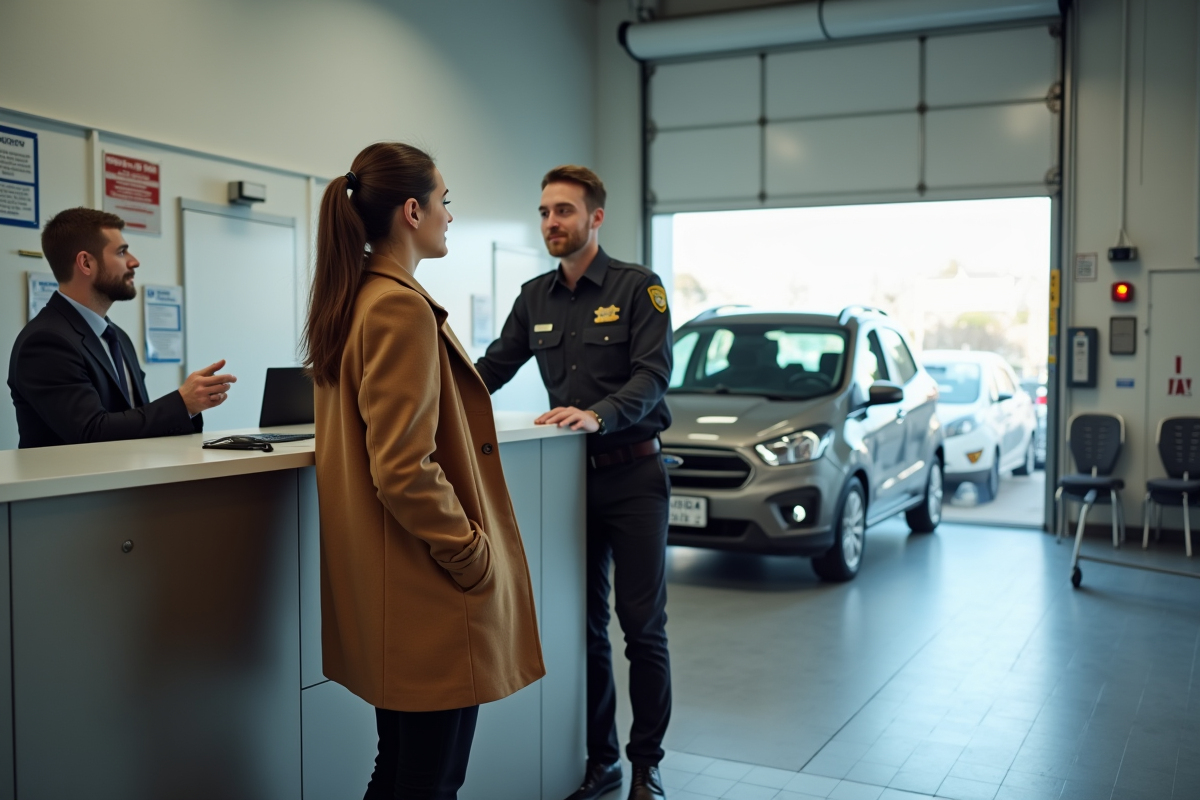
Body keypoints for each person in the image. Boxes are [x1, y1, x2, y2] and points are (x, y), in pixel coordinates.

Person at [304, 142, 545, 800]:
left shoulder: (356, 298)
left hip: (396, 586)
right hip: (428, 586)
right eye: (445, 202)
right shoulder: (396, 307)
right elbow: (404, 467)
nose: (450, 216)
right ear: (412, 211)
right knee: (430, 781)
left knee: (403, 770)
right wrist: (470, 554)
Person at [475, 166, 673, 800]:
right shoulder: (535, 296)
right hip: (570, 484)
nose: (551, 223)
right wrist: (423, 398)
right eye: (543, 212)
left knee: (641, 628)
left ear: (596, 217)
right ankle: (602, 761)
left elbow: (652, 377)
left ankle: (647, 765)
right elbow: (490, 371)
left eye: (564, 210)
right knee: (581, 628)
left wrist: (600, 413)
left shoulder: (639, 288)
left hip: (635, 475)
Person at [8, 207, 235, 449]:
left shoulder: (117, 337)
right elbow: (90, 431)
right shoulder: (46, 341)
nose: (134, 261)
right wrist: (182, 404)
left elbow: (134, 420)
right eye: (121, 252)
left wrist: (190, 406)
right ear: (86, 262)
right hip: (74, 487)